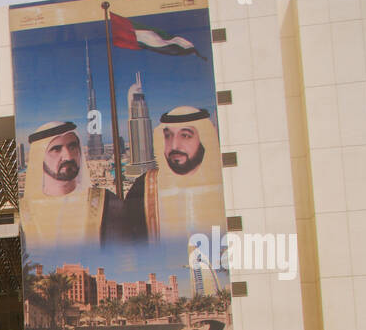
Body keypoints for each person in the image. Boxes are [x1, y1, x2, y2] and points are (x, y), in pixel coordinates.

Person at [116, 106, 224, 244]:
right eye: (168, 136)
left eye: (185, 136)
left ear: (204, 140)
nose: (174, 146)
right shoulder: (145, 187)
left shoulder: (227, 181)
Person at [20, 121, 109, 251]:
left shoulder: (103, 202)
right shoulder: (23, 213)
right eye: (56, 149)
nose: (68, 156)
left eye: (73, 147)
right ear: (40, 158)